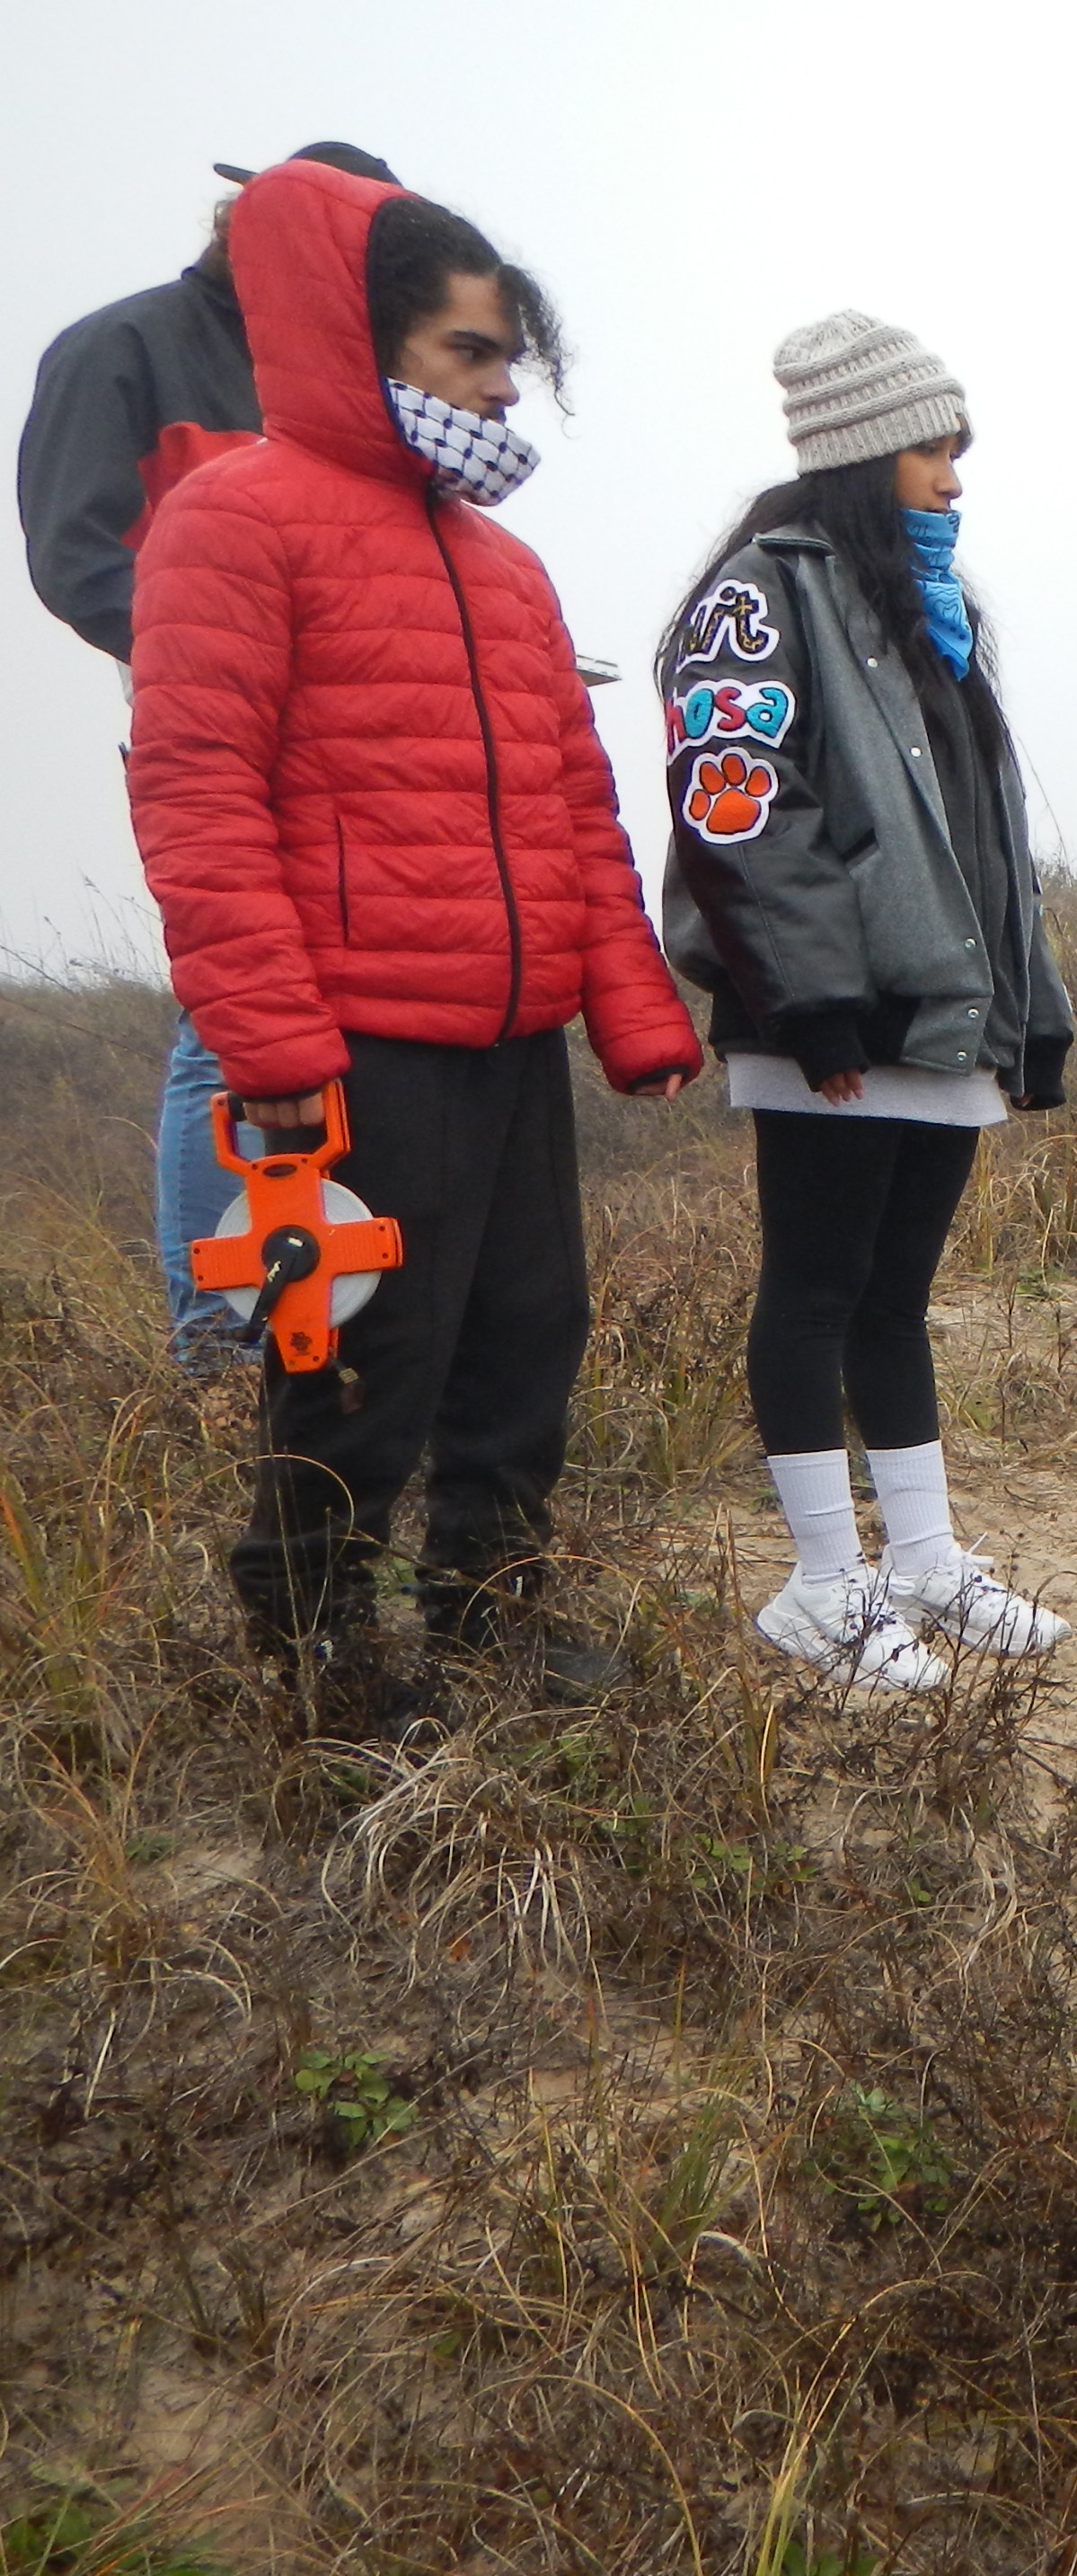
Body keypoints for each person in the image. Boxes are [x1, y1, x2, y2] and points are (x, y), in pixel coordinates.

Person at [126, 159, 701, 1728]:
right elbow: (196, 797)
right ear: (360, 345)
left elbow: (578, 807)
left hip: (510, 1040)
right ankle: (313, 1639)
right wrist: (275, 1047)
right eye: (471, 353)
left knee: (530, 1334)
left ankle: (487, 1614)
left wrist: (632, 1010)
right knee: (365, 1349)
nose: (503, 388)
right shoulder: (232, 522)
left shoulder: (505, 569)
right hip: (359, 1040)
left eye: (514, 357)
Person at [660, 311, 1076, 1693]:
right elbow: (737, 805)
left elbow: (988, 837)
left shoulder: (932, 610)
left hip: (942, 1023)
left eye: (957, 447)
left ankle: (923, 1561)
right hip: (830, 1030)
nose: (955, 476)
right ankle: (821, 1589)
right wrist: (810, 997)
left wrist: (1033, 1012)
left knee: (898, 1297)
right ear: (857, 450)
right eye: (930, 447)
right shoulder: (758, 595)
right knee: (817, 1290)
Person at [17, 140, 399, 1368]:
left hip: (364, 728)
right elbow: (73, 554)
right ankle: (218, 1336)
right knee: (225, 1016)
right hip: (212, 720)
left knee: (350, 997)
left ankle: (327, 1310)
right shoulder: (118, 347)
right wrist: (215, 652)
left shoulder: (343, 368)